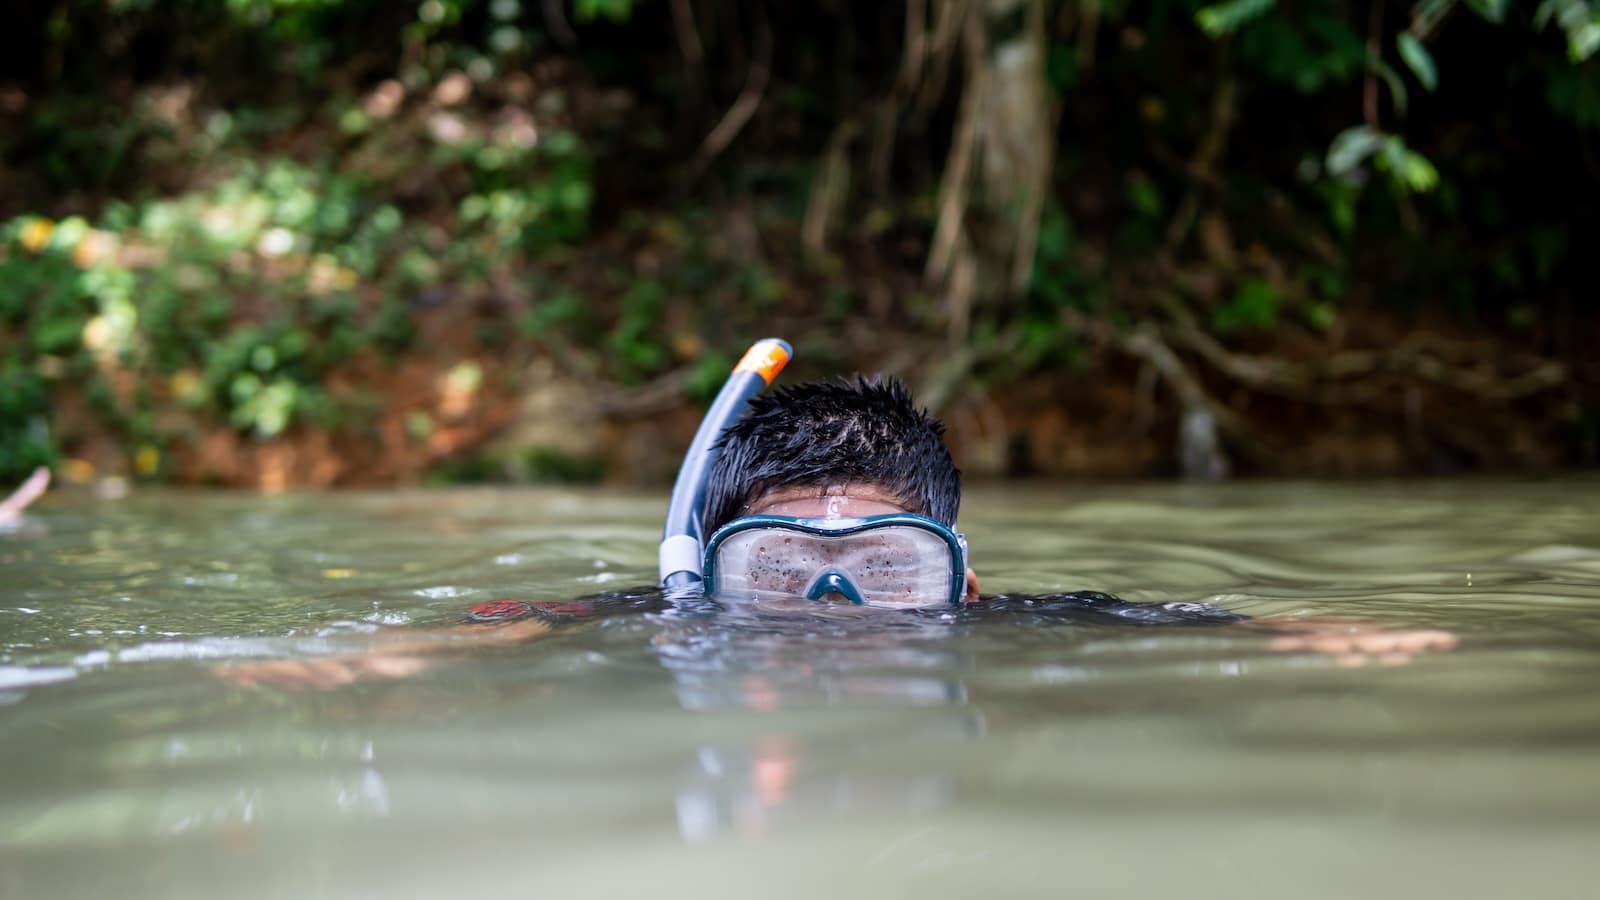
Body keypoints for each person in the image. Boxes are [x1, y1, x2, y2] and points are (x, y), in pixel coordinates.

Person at [220, 375, 1456, 689]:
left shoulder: (1012, 625)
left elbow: (1174, 624)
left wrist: (1311, 628)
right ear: (708, 570)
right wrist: (391, 656)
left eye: (883, 570)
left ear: (962, 585)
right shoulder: (674, 618)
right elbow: (514, 626)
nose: (830, 612)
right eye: (777, 569)